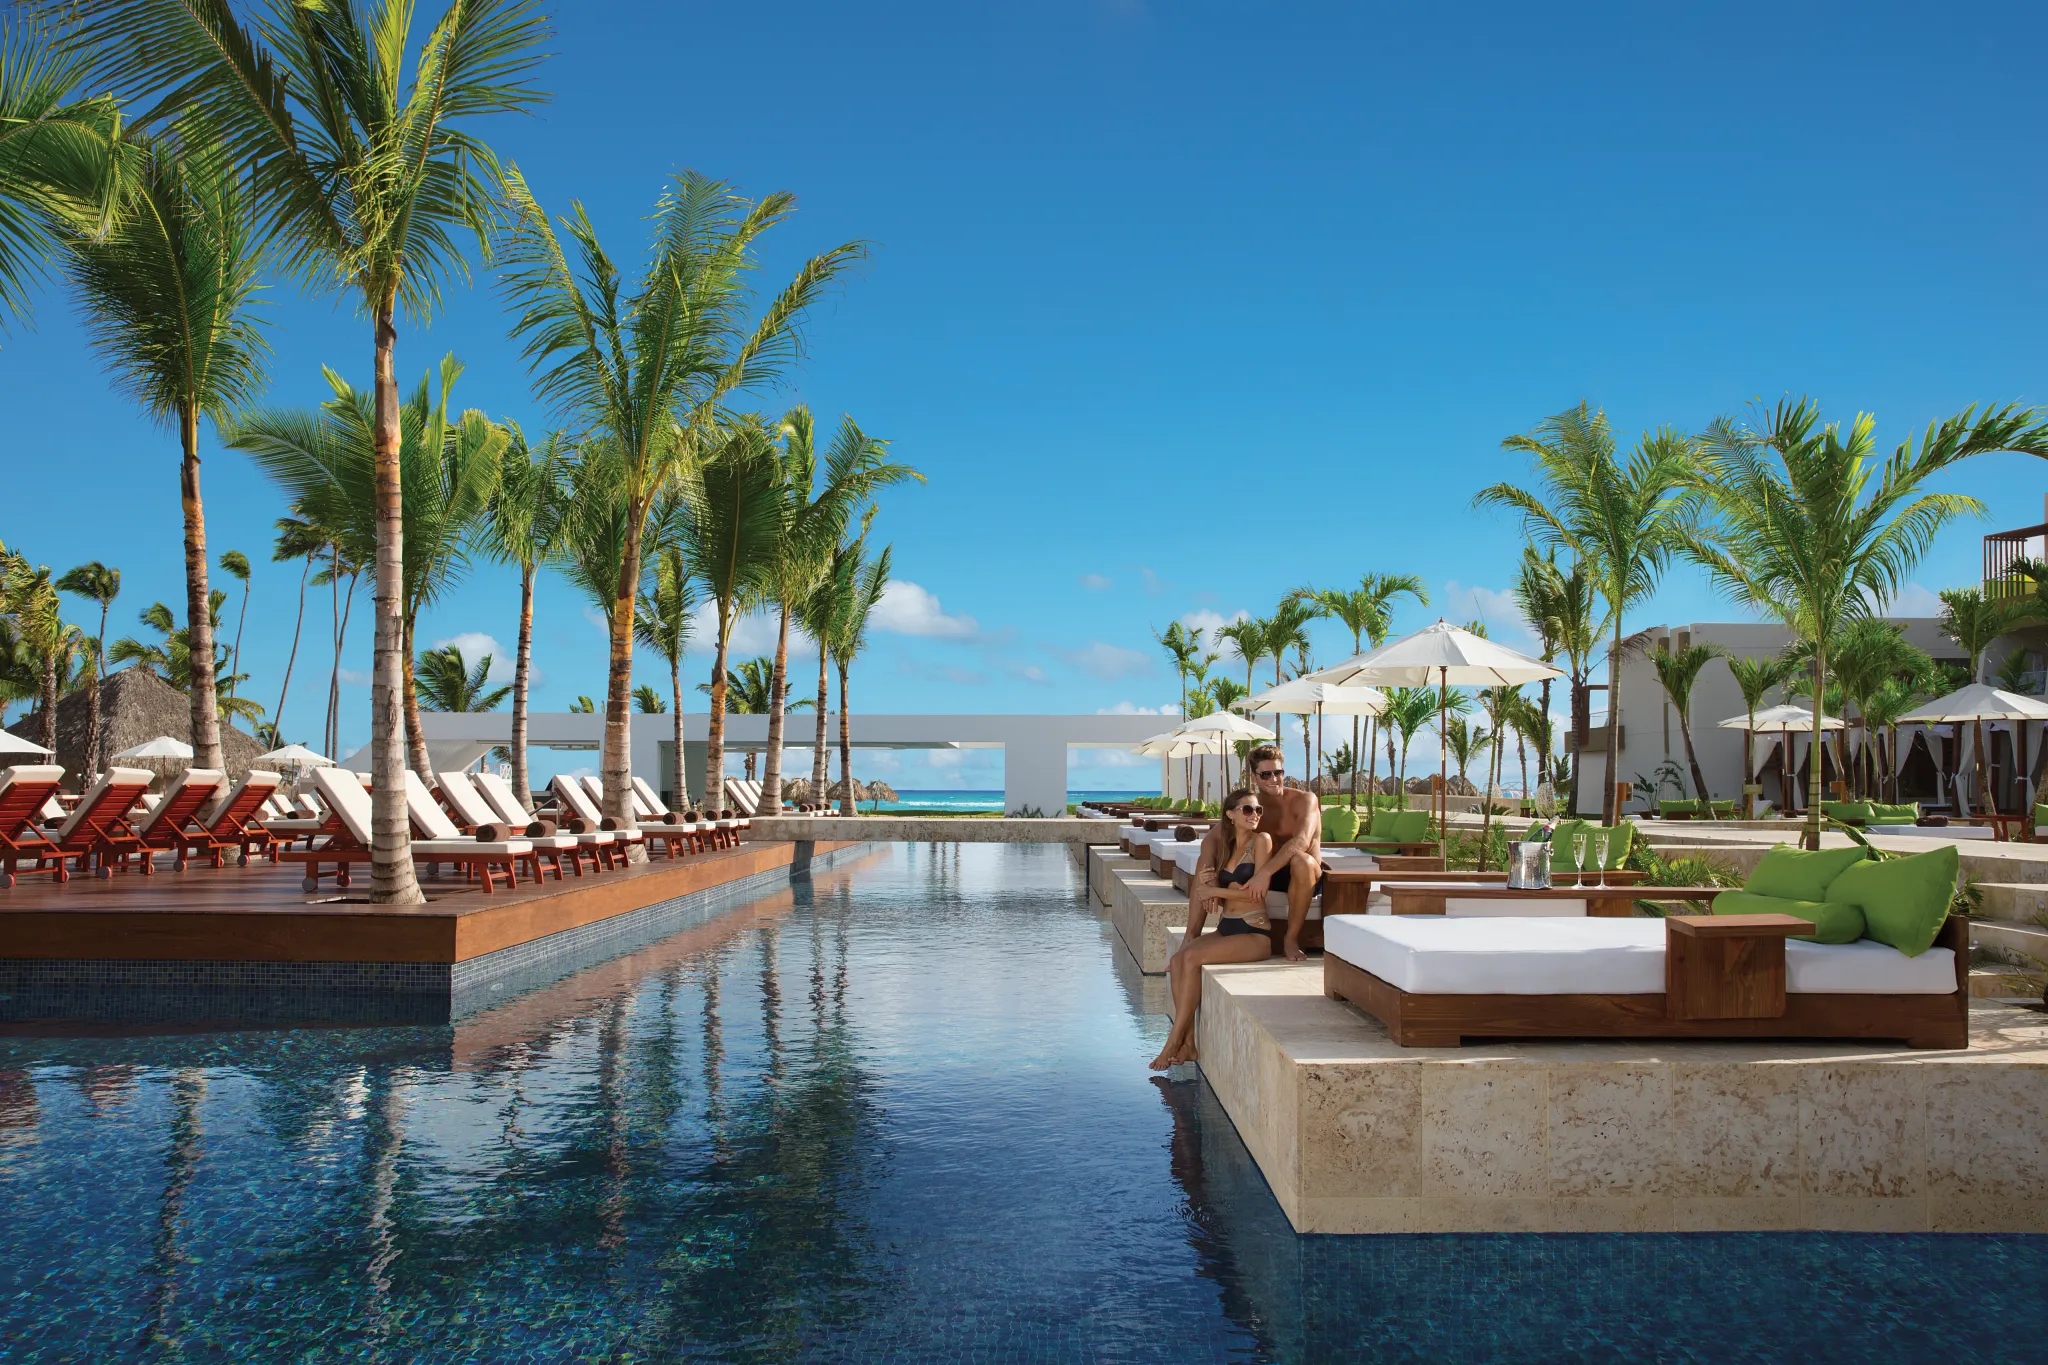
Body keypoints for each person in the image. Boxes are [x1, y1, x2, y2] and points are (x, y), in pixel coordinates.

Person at [1150, 788, 1276, 1070]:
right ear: (1230, 815)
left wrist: (1215, 889)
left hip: (1253, 932)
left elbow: (1255, 894)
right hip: (1226, 927)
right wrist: (1207, 885)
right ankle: (1190, 1044)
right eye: (1247, 810)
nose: (1254, 815)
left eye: (1258, 810)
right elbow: (1207, 887)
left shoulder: (1261, 841)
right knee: (1177, 960)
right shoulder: (1224, 847)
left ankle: (1172, 1042)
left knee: (1191, 958)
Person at [1233, 744, 1321, 962]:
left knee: (1301, 860)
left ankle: (1291, 938)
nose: (1274, 779)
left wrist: (1264, 874)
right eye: (1266, 774)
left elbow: (1301, 840)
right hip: (1271, 874)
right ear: (1254, 777)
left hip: (1304, 874)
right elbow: (1225, 834)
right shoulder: (1252, 806)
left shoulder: (1305, 799)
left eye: (1278, 772)